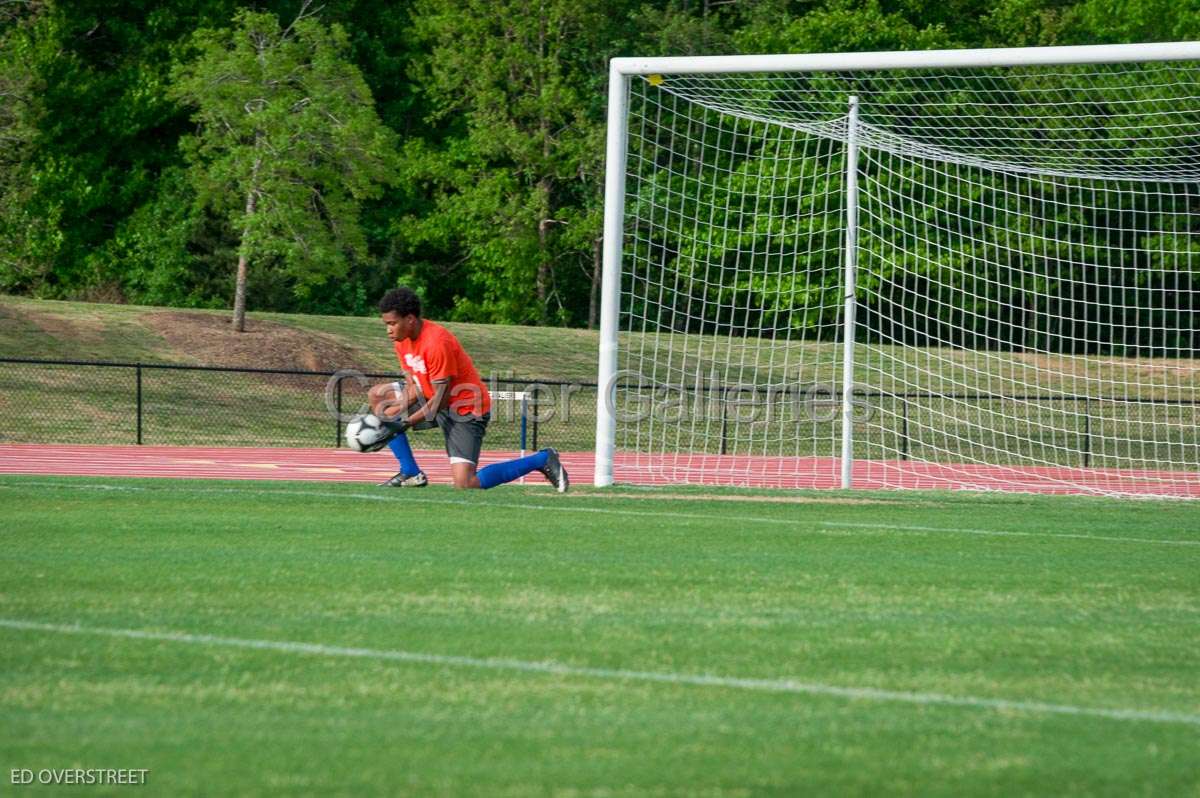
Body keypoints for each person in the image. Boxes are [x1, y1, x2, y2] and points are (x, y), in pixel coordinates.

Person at [367, 287, 568, 492]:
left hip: (465, 407)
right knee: (379, 399)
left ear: (410, 319)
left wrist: (405, 423)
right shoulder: (402, 341)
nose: (388, 330)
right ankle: (410, 472)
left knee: (466, 484)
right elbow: (414, 386)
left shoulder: (436, 342)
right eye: (386, 324)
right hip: (433, 399)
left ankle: (542, 459)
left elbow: (442, 399)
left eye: (392, 323)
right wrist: (388, 419)